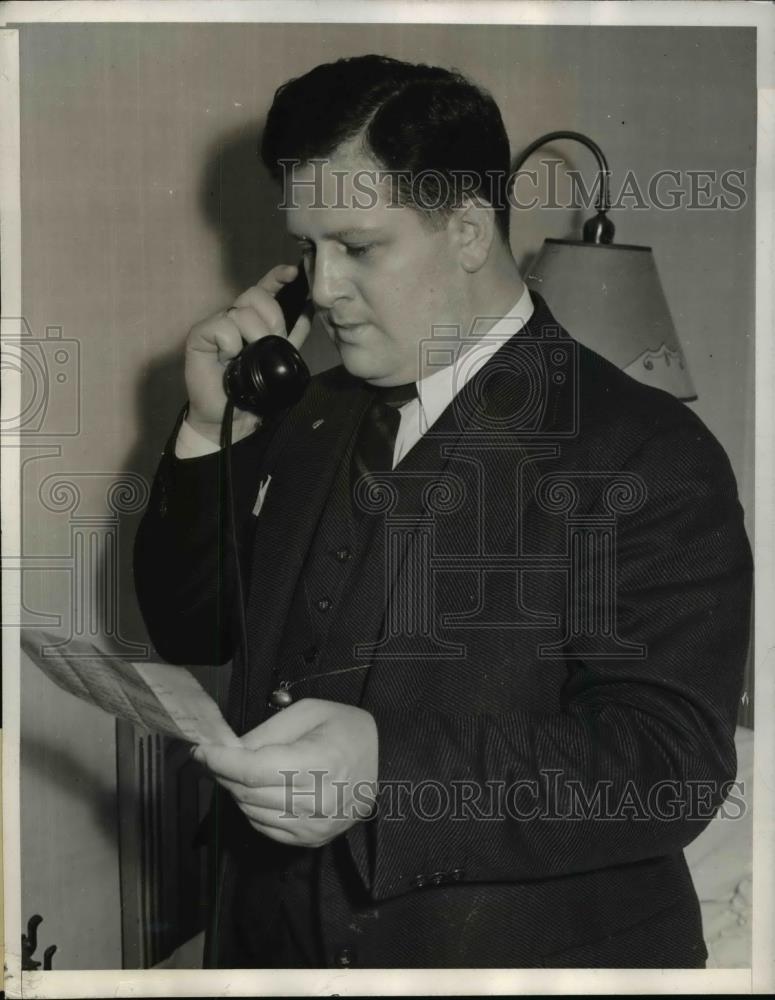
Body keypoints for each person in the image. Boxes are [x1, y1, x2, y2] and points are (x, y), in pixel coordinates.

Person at [133, 54, 753, 969]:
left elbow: (664, 768)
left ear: (467, 228)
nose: (323, 287)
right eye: (307, 250)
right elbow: (193, 622)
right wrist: (205, 427)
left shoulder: (647, 450)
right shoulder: (304, 412)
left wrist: (391, 773)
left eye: (358, 247)